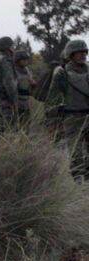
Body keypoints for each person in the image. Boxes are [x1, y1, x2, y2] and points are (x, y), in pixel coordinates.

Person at [47, 40, 89, 180]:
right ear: (71, 54)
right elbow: (53, 98)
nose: (83, 55)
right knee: (76, 151)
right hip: (72, 117)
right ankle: (78, 181)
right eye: (79, 52)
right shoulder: (62, 72)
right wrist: (52, 122)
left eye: (84, 52)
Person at [0, 36, 18, 133]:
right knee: (7, 128)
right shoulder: (6, 61)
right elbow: (9, 82)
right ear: (7, 48)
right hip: (4, 99)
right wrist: (14, 100)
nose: (13, 48)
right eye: (12, 46)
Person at [14, 50, 36, 130]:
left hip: (26, 100)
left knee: (26, 123)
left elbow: (31, 83)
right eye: (23, 60)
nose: (26, 61)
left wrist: (33, 84)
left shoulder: (27, 70)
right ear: (18, 60)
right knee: (16, 123)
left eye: (26, 59)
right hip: (16, 100)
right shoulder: (13, 71)